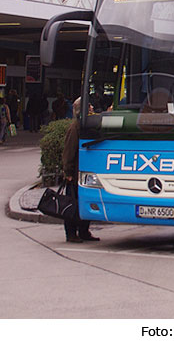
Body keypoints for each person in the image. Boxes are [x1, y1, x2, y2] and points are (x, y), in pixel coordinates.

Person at [62, 97, 99, 243]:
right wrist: (68, 172)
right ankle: (71, 233)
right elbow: (69, 151)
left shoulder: (86, 126)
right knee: (73, 203)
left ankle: (84, 231)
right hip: (75, 172)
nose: (91, 108)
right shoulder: (75, 128)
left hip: (85, 171)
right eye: (88, 106)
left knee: (85, 201)